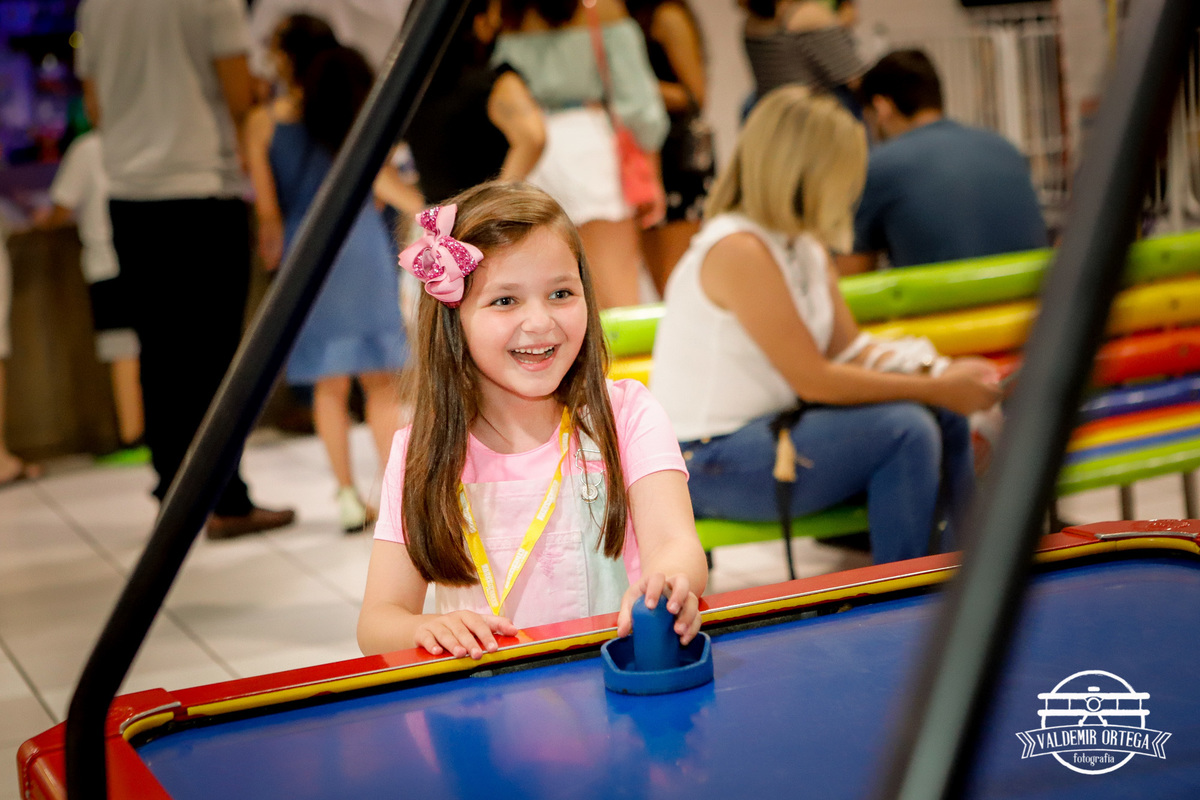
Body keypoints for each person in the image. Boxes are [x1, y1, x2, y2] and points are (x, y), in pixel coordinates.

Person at [650, 86, 1001, 565]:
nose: (853, 185)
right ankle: (908, 596)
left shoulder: (802, 244)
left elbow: (849, 348)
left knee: (941, 416)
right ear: (804, 171)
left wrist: (938, 373)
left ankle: (968, 572)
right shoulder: (738, 250)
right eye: (844, 169)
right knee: (906, 429)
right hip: (706, 459)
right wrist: (938, 388)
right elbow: (813, 379)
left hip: (770, 435)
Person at [358, 182, 707, 659]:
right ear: (453, 318)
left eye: (561, 293)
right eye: (505, 301)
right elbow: (378, 622)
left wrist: (669, 581)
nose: (540, 322)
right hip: (486, 697)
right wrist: (425, 628)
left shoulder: (628, 415)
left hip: (615, 678)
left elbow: (675, 543)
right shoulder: (422, 449)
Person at [75, 0, 295, 539]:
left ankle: (174, 493)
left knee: (159, 352)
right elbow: (239, 98)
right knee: (214, 357)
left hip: (129, 196)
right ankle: (225, 499)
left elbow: (96, 107)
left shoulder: (95, 6)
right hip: (202, 190)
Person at [245, 20, 418, 533]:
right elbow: (389, 186)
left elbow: (268, 214)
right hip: (362, 241)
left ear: (287, 57)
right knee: (382, 382)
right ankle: (396, 496)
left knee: (329, 384)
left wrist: (275, 256)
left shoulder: (262, 123)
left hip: (308, 250)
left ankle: (345, 496)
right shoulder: (350, 108)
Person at [492, 0, 669, 309]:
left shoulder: (507, 13)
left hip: (529, 152)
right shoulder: (600, 8)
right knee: (617, 294)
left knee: (551, 295)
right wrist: (651, 172)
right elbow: (638, 103)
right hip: (589, 147)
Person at [837, 49, 1048, 274]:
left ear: (882, 107)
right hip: (1033, 294)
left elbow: (851, 277)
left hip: (945, 297)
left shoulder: (879, 167)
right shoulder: (1006, 150)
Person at [33, 128, 146, 463]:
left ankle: (134, 439)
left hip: (109, 265)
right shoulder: (142, 138)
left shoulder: (88, 148)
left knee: (123, 352)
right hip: (146, 260)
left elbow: (61, 206)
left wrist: (44, 221)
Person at [404, 0, 546, 206]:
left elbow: (376, 167)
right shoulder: (495, 84)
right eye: (495, 14)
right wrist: (494, 202)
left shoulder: (410, 92)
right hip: (486, 217)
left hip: (438, 220)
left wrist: (422, 208)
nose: (498, 23)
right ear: (479, 23)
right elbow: (534, 137)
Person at [626, 0, 715, 295]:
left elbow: (695, 95)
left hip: (678, 156)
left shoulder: (667, 16)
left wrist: (631, 85)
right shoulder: (627, 16)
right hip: (641, 155)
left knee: (676, 280)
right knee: (657, 281)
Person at [740, 0, 863, 119]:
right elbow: (854, 79)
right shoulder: (806, 15)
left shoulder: (750, 23)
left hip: (772, 116)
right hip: (815, 117)